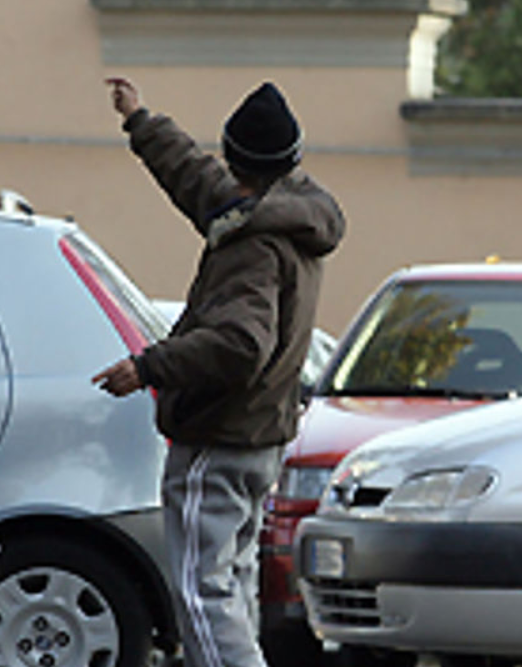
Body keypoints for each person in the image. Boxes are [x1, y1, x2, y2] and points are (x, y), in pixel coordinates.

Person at [92, 77, 345, 667]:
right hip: (262, 436)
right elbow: (194, 178)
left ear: (235, 159)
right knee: (232, 581)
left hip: (220, 437)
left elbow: (239, 344)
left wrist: (149, 367)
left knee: (201, 591)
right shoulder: (287, 216)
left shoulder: (252, 244)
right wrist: (141, 121)